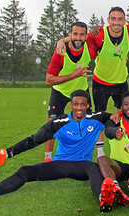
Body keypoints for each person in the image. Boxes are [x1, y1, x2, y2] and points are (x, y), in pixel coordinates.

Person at [0, 90, 122, 213]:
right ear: (71, 105)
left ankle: (104, 199)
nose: (79, 108)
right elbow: (33, 140)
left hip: (82, 166)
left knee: (93, 167)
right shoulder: (58, 123)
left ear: (88, 105)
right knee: (25, 171)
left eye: (83, 104)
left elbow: (111, 120)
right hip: (59, 164)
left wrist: (115, 121)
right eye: (75, 104)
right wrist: (8, 152)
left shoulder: (96, 118)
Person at [44, 21, 95, 162]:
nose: (78, 37)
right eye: (75, 34)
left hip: (81, 91)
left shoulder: (90, 48)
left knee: (87, 124)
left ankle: (83, 156)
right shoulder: (61, 52)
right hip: (60, 91)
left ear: (86, 36)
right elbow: (49, 80)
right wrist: (73, 75)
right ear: (70, 35)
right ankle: (48, 159)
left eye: (82, 34)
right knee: (51, 124)